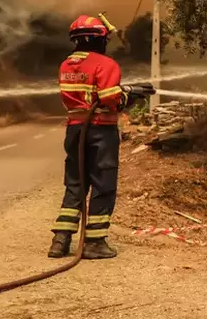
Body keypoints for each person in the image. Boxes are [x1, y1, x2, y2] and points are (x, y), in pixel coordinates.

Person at [48, 14, 155, 260]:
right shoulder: (106, 64)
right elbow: (108, 99)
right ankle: (94, 242)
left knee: (76, 183)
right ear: (97, 39)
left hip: (75, 130)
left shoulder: (66, 65)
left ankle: (60, 240)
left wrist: (126, 89)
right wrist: (129, 96)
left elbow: (89, 93)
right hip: (100, 131)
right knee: (103, 184)